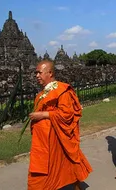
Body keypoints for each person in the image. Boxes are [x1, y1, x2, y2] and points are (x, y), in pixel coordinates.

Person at [28, 60, 92, 190]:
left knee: (59, 164)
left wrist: (44, 115)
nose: (37, 76)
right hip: (43, 139)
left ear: (50, 73)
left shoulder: (62, 90)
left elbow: (67, 114)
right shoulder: (42, 94)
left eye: (39, 73)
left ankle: (75, 184)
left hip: (57, 137)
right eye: (36, 73)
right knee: (44, 166)